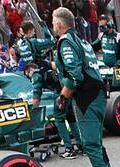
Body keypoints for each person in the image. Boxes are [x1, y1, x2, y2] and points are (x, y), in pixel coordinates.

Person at [53, 6, 118, 167]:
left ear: (59, 24)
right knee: (96, 141)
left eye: (53, 23)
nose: (53, 27)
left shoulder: (66, 41)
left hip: (86, 96)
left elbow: (75, 76)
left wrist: (63, 97)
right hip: (97, 92)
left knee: (90, 143)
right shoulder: (81, 40)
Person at [18, 18, 80, 154]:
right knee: (70, 116)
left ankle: (69, 149)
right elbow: (51, 41)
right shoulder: (34, 45)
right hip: (63, 86)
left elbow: (36, 98)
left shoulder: (34, 71)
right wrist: (45, 29)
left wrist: (30, 115)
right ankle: (81, 145)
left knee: (59, 118)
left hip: (61, 91)